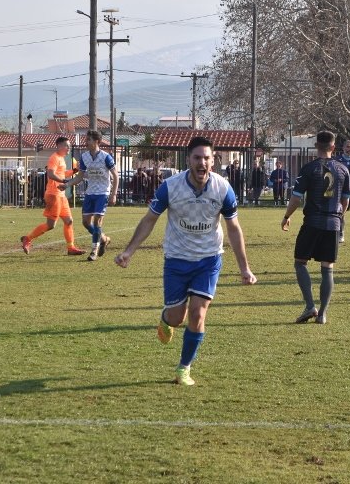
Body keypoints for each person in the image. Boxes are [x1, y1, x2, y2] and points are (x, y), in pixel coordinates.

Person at [114, 136, 257, 386]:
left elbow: (233, 228)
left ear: (214, 161)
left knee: (198, 314)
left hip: (209, 259)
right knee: (177, 317)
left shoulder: (223, 188)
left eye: (206, 158)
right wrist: (129, 251)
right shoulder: (170, 187)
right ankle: (166, 319)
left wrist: (244, 268)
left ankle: (184, 368)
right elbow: (150, 219)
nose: (202, 162)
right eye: (197, 157)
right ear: (188, 160)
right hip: (177, 259)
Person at [281, 130, 350, 325]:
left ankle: (310, 305)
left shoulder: (309, 168)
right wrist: (338, 217)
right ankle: (322, 314)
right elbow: (345, 201)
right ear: (333, 147)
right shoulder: (343, 169)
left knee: (300, 262)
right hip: (333, 223)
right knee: (327, 268)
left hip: (312, 222)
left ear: (316, 146)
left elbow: (296, 197)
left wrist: (287, 216)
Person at [20, 137, 84, 256]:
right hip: (53, 194)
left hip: (61, 195)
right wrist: (64, 181)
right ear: (59, 146)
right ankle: (27, 238)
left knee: (69, 221)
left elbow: (62, 173)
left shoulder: (62, 159)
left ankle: (71, 247)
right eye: (66, 146)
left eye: (69, 146)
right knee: (51, 225)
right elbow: (51, 174)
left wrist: (74, 171)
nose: (69, 148)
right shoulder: (54, 158)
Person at [65, 130, 119, 261]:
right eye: (86, 139)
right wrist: (67, 184)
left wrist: (113, 194)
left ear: (97, 142)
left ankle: (94, 250)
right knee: (85, 222)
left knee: (97, 221)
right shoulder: (84, 157)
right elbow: (80, 176)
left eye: (88, 140)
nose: (86, 142)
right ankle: (104, 239)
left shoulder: (106, 157)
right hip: (90, 193)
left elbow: (116, 176)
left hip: (103, 192)